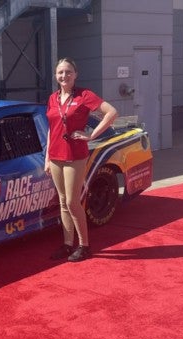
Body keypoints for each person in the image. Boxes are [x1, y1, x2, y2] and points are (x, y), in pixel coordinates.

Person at [45, 57, 118, 262]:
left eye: (68, 72)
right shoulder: (52, 98)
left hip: (75, 154)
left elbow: (111, 112)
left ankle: (84, 245)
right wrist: (47, 157)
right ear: (55, 76)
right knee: (62, 201)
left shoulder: (84, 95)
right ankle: (68, 244)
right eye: (60, 72)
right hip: (55, 156)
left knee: (72, 201)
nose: (64, 76)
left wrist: (92, 134)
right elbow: (52, 129)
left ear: (75, 74)